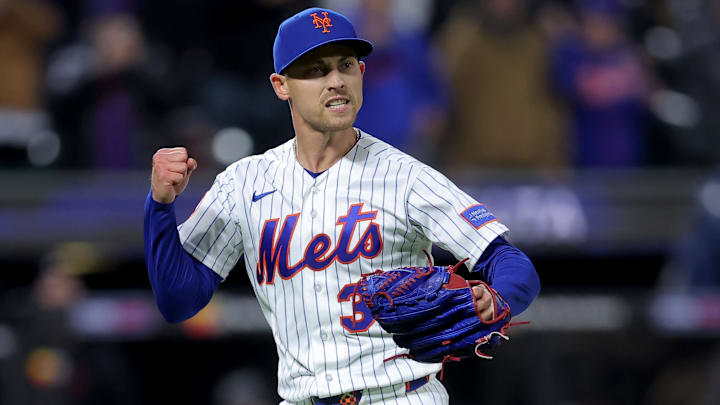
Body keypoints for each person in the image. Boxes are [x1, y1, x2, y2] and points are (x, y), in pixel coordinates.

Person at [144, 7, 540, 405]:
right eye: (316, 70)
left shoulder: (404, 177)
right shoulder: (244, 183)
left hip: (400, 396)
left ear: (361, 74)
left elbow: (509, 261)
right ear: (281, 86)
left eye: (346, 65)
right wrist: (160, 205)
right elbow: (179, 300)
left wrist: (497, 298)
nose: (336, 81)